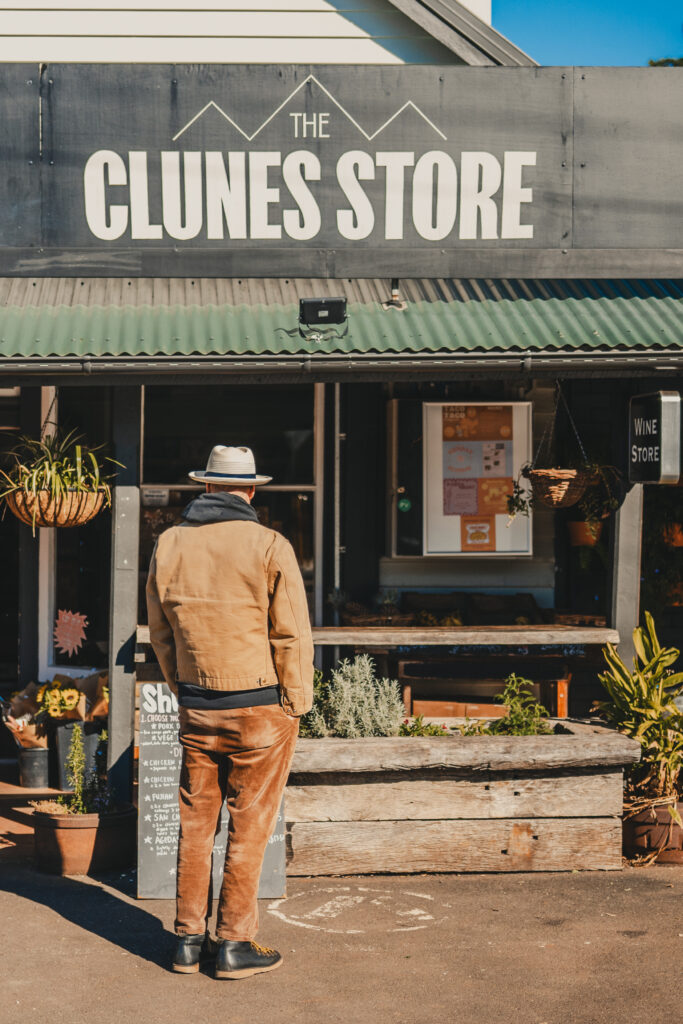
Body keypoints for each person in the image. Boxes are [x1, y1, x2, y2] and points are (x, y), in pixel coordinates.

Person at [146, 444, 314, 980]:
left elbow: (160, 630)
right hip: (260, 707)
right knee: (249, 827)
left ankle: (187, 941)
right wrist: (297, 702)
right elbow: (290, 634)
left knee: (195, 825)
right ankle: (236, 944)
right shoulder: (270, 544)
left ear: (205, 487)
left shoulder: (169, 544)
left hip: (198, 703)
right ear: (250, 491)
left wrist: (183, 688)